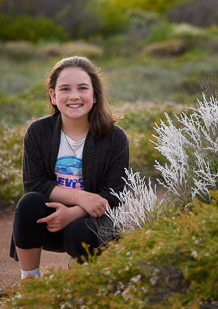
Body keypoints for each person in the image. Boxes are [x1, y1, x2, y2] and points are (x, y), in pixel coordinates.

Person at [9, 56, 129, 279]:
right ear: (53, 96)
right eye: (65, 89)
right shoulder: (38, 132)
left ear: (94, 96)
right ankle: (30, 280)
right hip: (49, 222)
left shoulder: (115, 138)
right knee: (29, 204)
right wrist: (81, 197)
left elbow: (115, 195)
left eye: (82, 88)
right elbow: (34, 184)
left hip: (91, 222)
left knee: (80, 231)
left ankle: (80, 277)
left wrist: (74, 212)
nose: (74, 96)